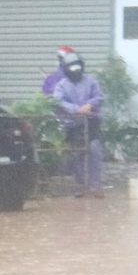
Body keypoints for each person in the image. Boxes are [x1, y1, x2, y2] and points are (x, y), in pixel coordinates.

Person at [51, 55, 105, 196]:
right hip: (72, 125)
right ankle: (81, 185)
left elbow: (99, 97)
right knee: (76, 154)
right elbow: (58, 101)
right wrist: (76, 109)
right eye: (72, 67)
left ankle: (95, 186)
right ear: (66, 69)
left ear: (82, 67)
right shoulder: (61, 85)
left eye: (77, 66)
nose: (75, 70)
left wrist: (89, 105)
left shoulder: (91, 82)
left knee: (94, 150)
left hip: (91, 122)